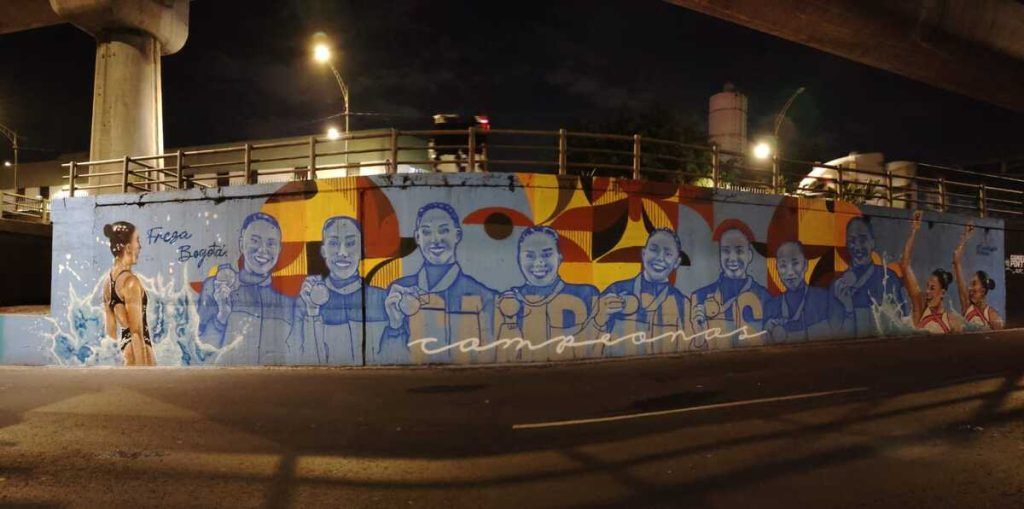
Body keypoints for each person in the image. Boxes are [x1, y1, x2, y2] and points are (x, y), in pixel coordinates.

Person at [382, 203, 497, 364]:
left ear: (457, 235)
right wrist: (395, 326)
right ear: (417, 237)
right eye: (426, 232)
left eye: (443, 231)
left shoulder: (482, 296)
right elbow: (388, 360)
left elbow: (491, 355)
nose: (435, 240)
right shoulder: (400, 292)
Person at [288, 216, 392, 365]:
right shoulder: (304, 303)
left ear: (362, 250)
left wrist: (396, 324)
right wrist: (312, 312)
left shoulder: (383, 299)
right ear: (323, 251)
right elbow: (304, 361)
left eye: (350, 243)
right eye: (333, 243)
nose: (342, 252)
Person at [197, 212, 294, 364]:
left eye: (271, 243)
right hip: (227, 377)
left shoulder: (289, 297)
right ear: (241, 244)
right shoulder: (215, 288)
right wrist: (222, 317)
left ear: (279, 249)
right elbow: (199, 353)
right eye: (255, 241)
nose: (263, 250)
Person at [495, 226, 599, 362]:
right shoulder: (508, 301)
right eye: (529, 256)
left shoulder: (586, 294)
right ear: (518, 259)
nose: (539, 262)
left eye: (546, 255)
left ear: (560, 257)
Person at [595, 228, 690, 357]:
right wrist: (599, 319)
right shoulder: (615, 291)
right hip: (619, 368)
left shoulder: (683, 304)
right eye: (654, 249)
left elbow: (689, 348)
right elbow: (589, 344)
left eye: (668, 254)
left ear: (677, 262)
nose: (660, 258)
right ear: (644, 253)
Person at [691, 220, 770, 348]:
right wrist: (699, 339)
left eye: (739, 251)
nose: (732, 258)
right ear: (719, 255)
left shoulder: (765, 297)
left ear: (749, 256)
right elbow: (693, 350)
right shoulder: (699, 297)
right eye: (726, 251)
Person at [830, 215, 906, 337]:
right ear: (846, 244)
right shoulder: (838, 286)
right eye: (852, 241)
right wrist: (848, 309)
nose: (857, 247)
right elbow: (834, 333)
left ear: (872, 242)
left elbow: (901, 322)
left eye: (862, 240)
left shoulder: (889, 278)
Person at [101, 221, 156, 366]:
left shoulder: (108, 283)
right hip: (140, 353)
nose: (140, 246)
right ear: (128, 248)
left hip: (125, 351)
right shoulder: (131, 283)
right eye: (137, 240)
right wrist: (142, 370)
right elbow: (136, 333)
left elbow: (111, 333)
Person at [900, 211, 962, 334]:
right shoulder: (920, 308)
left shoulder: (952, 322)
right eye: (927, 287)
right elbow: (905, 264)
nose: (927, 291)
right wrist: (914, 230)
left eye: (932, 288)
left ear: (942, 293)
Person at [763, 241, 831, 342]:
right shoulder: (770, 307)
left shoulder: (823, 299)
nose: (790, 272)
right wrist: (767, 334)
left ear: (805, 265)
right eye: (783, 266)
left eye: (795, 263)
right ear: (776, 268)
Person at [952, 223, 1003, 330]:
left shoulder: (992, 316)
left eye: (974, 284)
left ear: (983, 290)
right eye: (970, 284)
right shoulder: (966, 305)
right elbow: (956, 259)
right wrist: (965, 237)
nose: (969, 288)